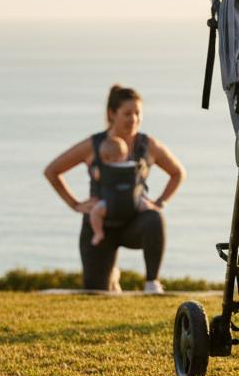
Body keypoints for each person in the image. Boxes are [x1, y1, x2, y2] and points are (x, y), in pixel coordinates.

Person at [44, 85, 185, 294]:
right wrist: (75, 204)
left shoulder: (148, 145)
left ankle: (152, 283)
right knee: (95, 293)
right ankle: (110, 274)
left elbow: (177, 173)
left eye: (138, 113)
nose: (133, 119)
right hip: (100, 226)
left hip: (134, 223)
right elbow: (52, 171)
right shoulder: (93, 145)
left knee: (155, 218)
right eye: (127, 113)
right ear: (112, 114)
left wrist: (160, 201)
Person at [88, 135, 154, 246]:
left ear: (103, 158)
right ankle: (154, 217)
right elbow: (143, 172)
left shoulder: (103, 169)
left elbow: (95, 175)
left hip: (110, 205)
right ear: (125, 154)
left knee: (94, 213)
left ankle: (98, 233)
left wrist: (93, 168)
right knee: (149, 208)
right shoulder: (133, 166)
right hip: (133, 203)